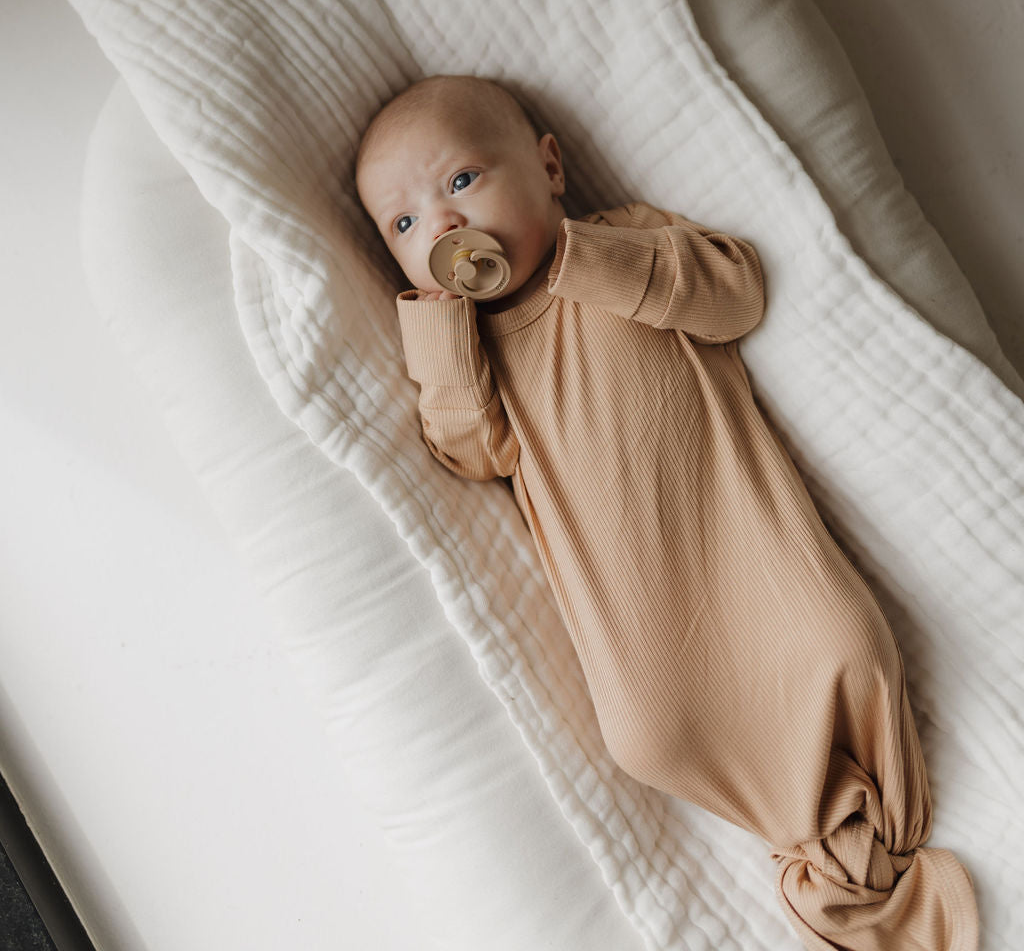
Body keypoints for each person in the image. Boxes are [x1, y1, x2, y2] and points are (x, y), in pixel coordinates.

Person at [355, 72, 979, 951]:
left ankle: (863, 828)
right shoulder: (479, 349)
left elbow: (734, 295)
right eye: (405, 225)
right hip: (633, 601)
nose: (444, 226)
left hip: (743, 536)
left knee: (846, 640)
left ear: (550, 166)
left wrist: (585, 259)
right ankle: (808, 835)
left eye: (461, 182)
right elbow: (470, 450)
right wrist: (438, 333)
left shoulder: (624, 244)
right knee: (646, 736)